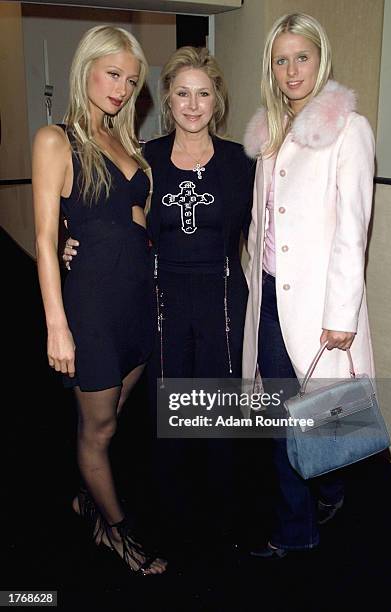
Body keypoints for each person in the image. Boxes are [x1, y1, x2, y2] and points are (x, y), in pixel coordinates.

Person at [64, 46, 255, 542]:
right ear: (166, 99)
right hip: (161, 296)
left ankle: (222, 510)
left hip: (222, 298)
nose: (193, 105)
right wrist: (72, 239)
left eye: (204, 94)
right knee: (167, 406)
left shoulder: (242, 162)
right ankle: (171, 510)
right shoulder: (144, 158)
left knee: (216, 405)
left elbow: (270, 230)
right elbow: (107, 209)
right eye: (182, 94)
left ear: (218, 100)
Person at [32, 25, 166, 575]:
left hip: (135, 301)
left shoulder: (125, 142)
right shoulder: (54, 140)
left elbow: (136, 226)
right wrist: (56, 325)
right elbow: (42, 239)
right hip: (90, 308)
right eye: (112, 74)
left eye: (131, 81)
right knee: (100, 429)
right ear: (85, 67)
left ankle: (89, 491)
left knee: (110, 418)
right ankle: (116, 532)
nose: (121, 88)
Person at [242, 13, 375, 557]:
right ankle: (320, 498)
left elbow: (353, 228)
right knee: (285, 416)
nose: (292, 70)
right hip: (270, 295)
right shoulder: (269, 133)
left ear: (321, 61)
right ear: (270, 68)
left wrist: (340, 315)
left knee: (320, 413)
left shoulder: (350, 129)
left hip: (321, 305)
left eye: (302, 57)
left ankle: (295, 532)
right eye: (281, 59)